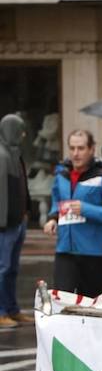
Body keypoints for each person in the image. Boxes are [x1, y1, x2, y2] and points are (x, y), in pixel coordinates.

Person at [44, 129, 102, 298]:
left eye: (81, 148)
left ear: (91, 149)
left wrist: (86, 209)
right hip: (64, 250)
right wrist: (53, 218)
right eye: (72, 148)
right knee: (61, 302)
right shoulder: (62, 175)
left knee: (89, 305)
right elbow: (57, 200)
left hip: (93, 252)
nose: (76, 153)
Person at [0, 114, 28, 328]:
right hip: (5, 224)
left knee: (11, 268)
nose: (24, 134)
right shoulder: (2, 155)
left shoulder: (14, 154)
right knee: (4, 267)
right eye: (20, 130)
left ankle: (11, 309)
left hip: (17, 221)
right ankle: (2, 312)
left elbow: (21, 187)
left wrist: (25, 211)